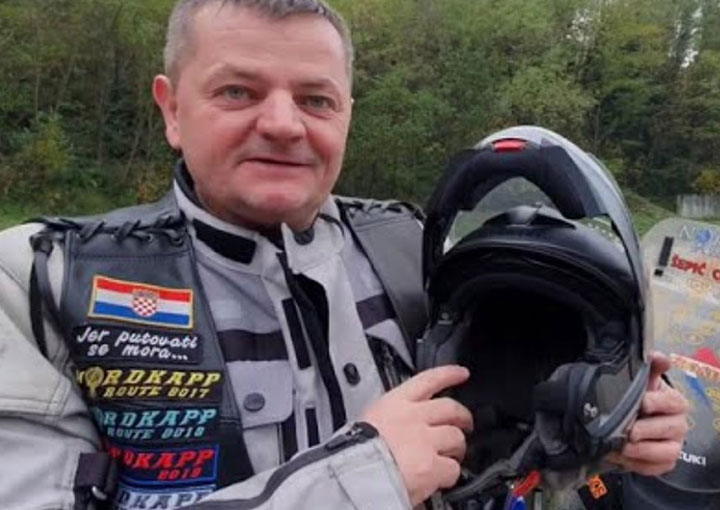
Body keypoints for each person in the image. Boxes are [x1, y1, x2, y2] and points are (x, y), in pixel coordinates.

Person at [0, 1, 688, 509]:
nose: (282, 123)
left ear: (347, 114)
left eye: (315, 99)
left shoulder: (416, 252)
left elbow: (496, 456)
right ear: (172, 109)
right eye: (238, 91)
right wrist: (363, 477)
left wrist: (603, 432)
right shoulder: (39, 282)